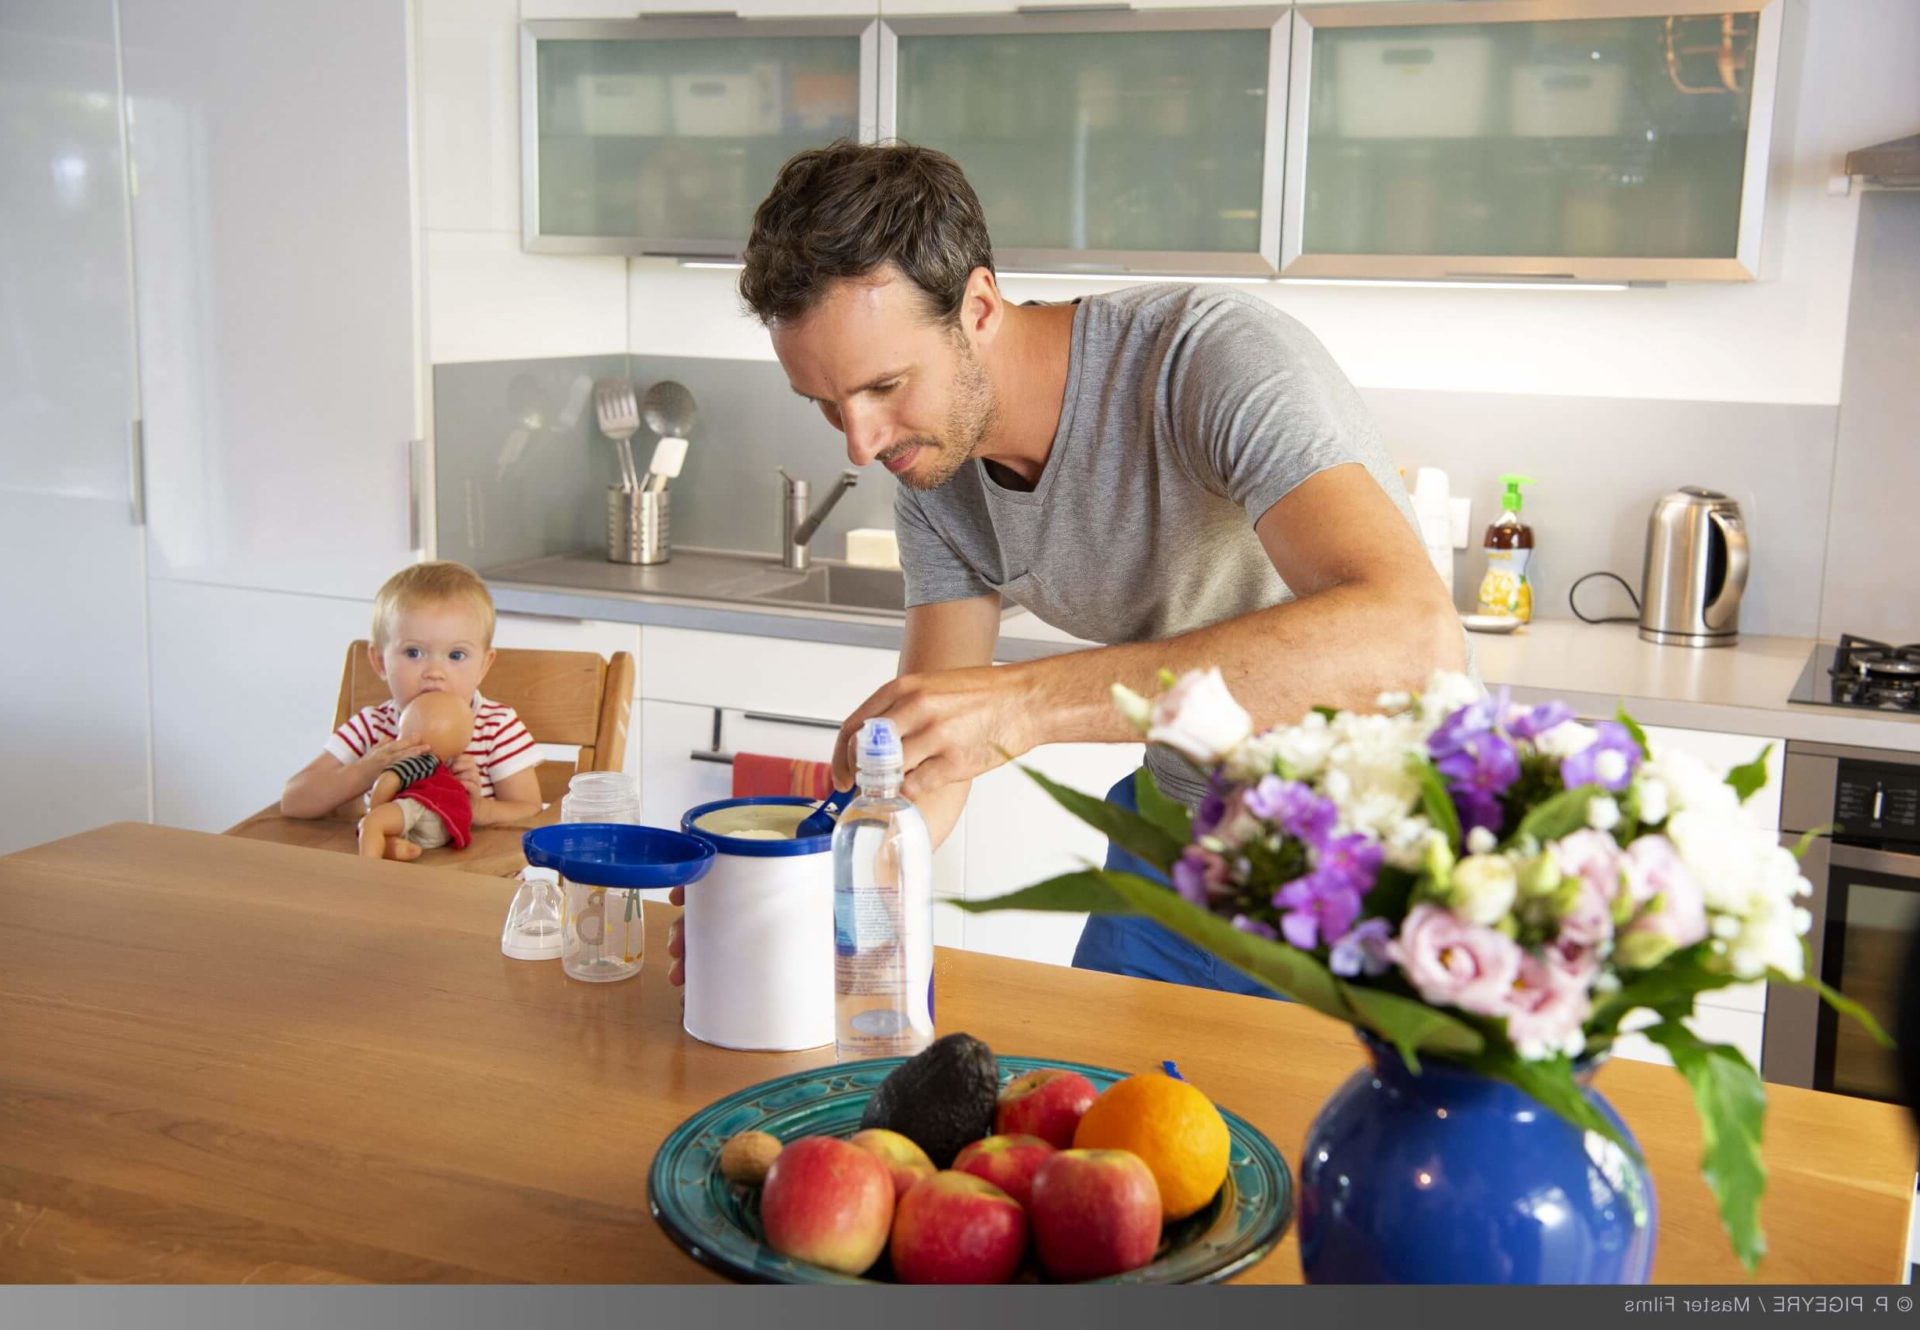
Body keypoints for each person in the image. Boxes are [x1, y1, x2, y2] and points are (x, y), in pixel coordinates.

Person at [666, 140, 1463, 993]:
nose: (860, 441)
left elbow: (1409, 640)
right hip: (1177, 840)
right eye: (826, 404)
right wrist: (816, 895)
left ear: (977, 305)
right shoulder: (935, 481)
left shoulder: (1205, 360)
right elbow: (935, 759)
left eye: (885, 385)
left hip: (1380, 861)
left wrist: (1029, 702)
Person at [282, 561, 546, 833]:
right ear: (379, 662)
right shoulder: (372, 727)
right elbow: (293, 800)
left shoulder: (496, 727)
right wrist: (364, 771)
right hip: (383, 870)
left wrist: (478, 809)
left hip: (472, 872)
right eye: (413, 653)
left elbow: (529, 809)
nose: (434, 672)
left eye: (456, 655)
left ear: (483, 666)